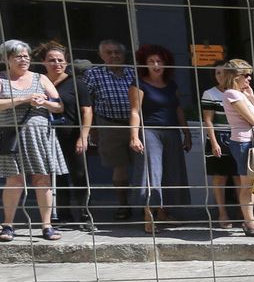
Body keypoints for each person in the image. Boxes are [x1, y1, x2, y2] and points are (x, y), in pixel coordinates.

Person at [0, 40, 68, 241]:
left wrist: (44, 102)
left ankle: (47, 226)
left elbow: (59, 106)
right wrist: (24, 98)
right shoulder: (1, 79)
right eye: (18, 56)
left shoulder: (41, 78)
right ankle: (7, 225)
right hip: (12, 136)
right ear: (6, 59)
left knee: (43, 179)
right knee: (14, 180)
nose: (24, 59)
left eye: (26, 56)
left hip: (39, 136)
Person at [128, 44, 191, 234]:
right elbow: (135, 111)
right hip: (149, 131)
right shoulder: (139, 84)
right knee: (151, 173)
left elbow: (178, 109)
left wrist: (186, 133)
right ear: (144, 64)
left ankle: (164, 213)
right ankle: (149, 218)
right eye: (151, 61)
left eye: (159, 61)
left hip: (171, 131)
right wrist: (134, 136)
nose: (156, 65)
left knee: (171, 173)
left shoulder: (172, 85)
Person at [81, 39, 137, 220]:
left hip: (136, 125)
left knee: (144, 166)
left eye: (117, 52)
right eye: (109, 52)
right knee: (119, 166)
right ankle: (123, 205)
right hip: (109, 125)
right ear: (101, 55)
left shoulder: (134, 72)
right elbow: (88, 103)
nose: (114, 56)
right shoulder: (93, 74)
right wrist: (92, 130)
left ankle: (148, 205)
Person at [39, 42, 93, 228]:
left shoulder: (77, 83)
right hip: (46, 137)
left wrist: (83, 136)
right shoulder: (38, 82)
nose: (57, 64)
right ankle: (62, 214)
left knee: (79, 175)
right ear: (43, 62)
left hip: (72, 136)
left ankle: (85, 214)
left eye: (60, 60)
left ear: (67, 62)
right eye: (52, 60)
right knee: (55, 176)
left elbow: (87, 111)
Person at [218, 60, 254, 237]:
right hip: (243, 142)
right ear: (235, 76)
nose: (249, 78)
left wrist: (252, 99)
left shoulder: (241, 94)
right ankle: (249, 222)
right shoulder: (231, 94)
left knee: (251, 184)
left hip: (252, 141)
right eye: (245, 75)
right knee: (247, 184)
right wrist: (253, 107)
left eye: (249, 75)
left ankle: (250, 220)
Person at [201, 62, 244, 230]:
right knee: (220, 177)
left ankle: (243, 212)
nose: (220, 76)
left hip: (238, 137)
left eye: (224, 72)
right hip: (219, 137)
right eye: (217, 73)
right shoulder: (210, 93)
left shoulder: (238, 92)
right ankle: (222, 213)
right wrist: (213, 142)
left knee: (240, 177)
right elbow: (208, 120)